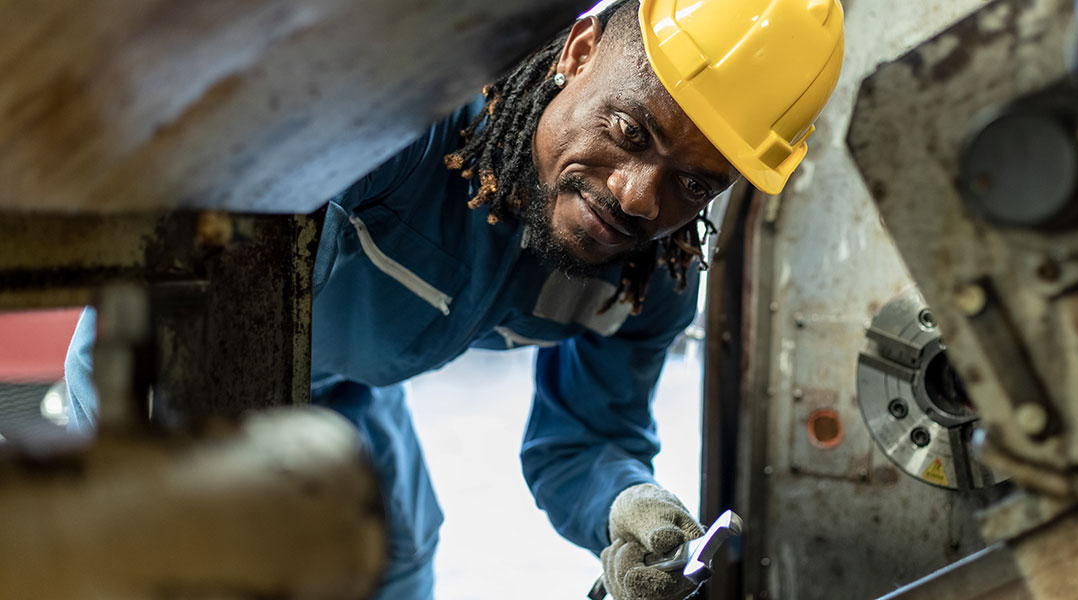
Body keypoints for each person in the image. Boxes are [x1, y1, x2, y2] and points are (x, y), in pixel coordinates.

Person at [64, 0, 844, 598]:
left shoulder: (646, 278)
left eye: (694, 183)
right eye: (631, 131)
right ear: (577, 52)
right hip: (173, 372)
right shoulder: (395, 128)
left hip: (337, 389)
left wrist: (624, 504)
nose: (638, 197)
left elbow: (581, 442)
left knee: (398, 551)